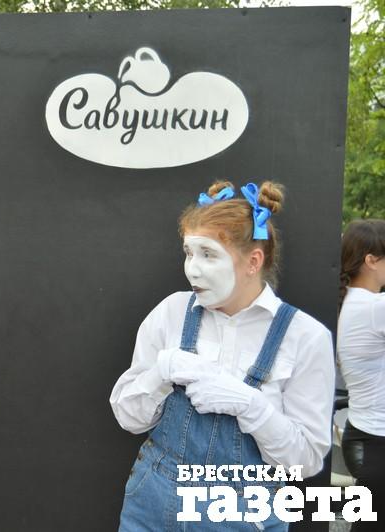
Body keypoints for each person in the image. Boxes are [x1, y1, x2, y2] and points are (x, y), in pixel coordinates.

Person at [109, 180, 334, 530]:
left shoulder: (305, 337)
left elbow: (304, 462)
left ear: (253, 261)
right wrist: (160, 373)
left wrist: (251, 405)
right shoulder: (171, 312)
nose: (192, 269)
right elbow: (128, 418)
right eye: (189, 252)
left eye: (208, 254)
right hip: (152, 503)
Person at [337, 219, 385, 531]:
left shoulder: (355, 302)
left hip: (366, 437)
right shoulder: (375, 308)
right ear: (371, 260)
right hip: (376, 443)